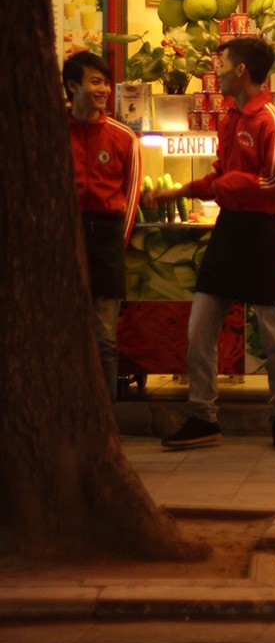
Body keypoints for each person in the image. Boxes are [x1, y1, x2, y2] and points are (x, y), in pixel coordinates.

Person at [147, 36, 275, 451]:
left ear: (241, 71)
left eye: (222, 64)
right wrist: (178, 192)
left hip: (262, 233)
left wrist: (227, 184)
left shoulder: (271, 119)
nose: (216, 72)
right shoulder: (230, 118)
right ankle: (202, 416)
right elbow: (219, 175)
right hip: (229, 229)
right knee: (200, 326)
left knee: (273, 333)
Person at [63, 50, 142, 401]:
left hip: (107, 238)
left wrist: (116, 242)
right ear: (72, 86)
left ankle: (106, 421)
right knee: (63, 334)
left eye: (105, 82)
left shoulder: (124, 137)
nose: (104, 90)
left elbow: (131, 195)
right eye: (95, 82)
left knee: (104, 337)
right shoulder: (53, 133)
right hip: (64, 238)